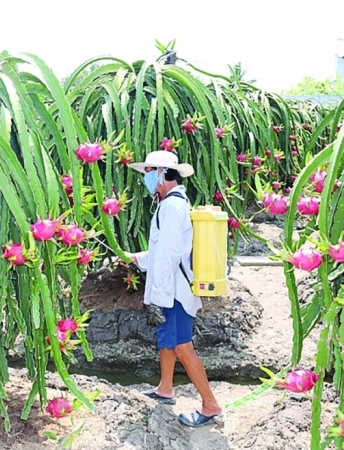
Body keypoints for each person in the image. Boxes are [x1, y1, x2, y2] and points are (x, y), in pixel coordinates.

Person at [125, 150, 223, 427]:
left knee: (181, 345)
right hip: (175, 288)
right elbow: (166, 249)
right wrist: (138, 258)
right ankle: (165, 388)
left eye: (147, 172)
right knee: (167, 340)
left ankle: (210, 405)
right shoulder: (173, 203)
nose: (144, 178)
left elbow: (168, 255)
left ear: (160, 173)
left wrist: (159, 296)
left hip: (175, 291)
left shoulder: (170, 207)